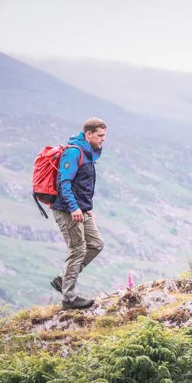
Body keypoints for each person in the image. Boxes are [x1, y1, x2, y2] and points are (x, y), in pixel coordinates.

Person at [49, 117, 107, 309]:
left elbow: (81, 184)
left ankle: (64, 279)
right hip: (67, 210)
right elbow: (63, 183)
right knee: (78, 249)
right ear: (88, 134)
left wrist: (86, 208)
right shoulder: (74, 153)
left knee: (96, 244)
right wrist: (74, 207)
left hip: (81, 210)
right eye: (100, 135)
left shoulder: (88, 153)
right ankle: (69, 299)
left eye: (104, 136)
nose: (103, 139)